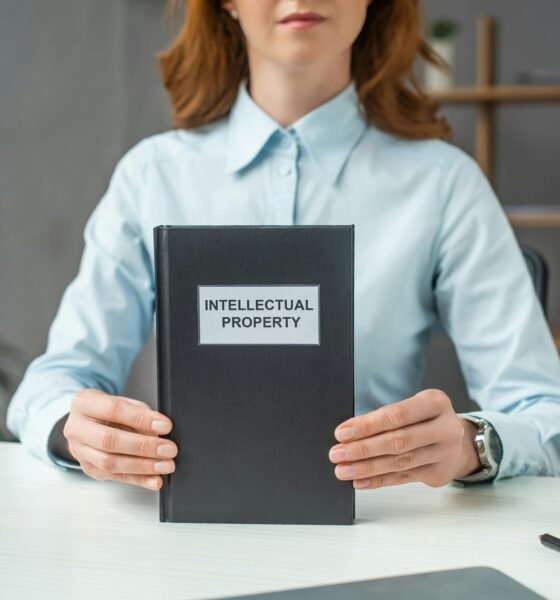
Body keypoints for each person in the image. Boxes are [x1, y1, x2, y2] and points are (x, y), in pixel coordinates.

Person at [7, 0, 560, 493]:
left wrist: (472, 443)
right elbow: (53, 385)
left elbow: (545, 415)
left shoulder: (445, 184)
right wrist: (73, 431)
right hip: (176, 541)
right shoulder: (151, 177)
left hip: (383, 534)